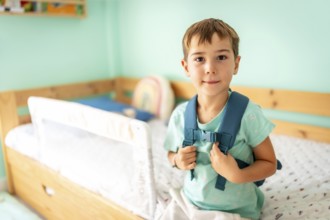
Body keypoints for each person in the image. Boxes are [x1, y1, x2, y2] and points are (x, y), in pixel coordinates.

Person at [162, 18, 277, 220]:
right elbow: (170, 154)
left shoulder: (248, 114)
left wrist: (237, 175)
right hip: (190, 203)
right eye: (199, 59)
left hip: (235, 212)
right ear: (186, 67)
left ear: (236, 64)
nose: (210, 68)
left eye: (221, 57)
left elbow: (269, 163)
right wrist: (177, 160)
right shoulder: (180, 115)